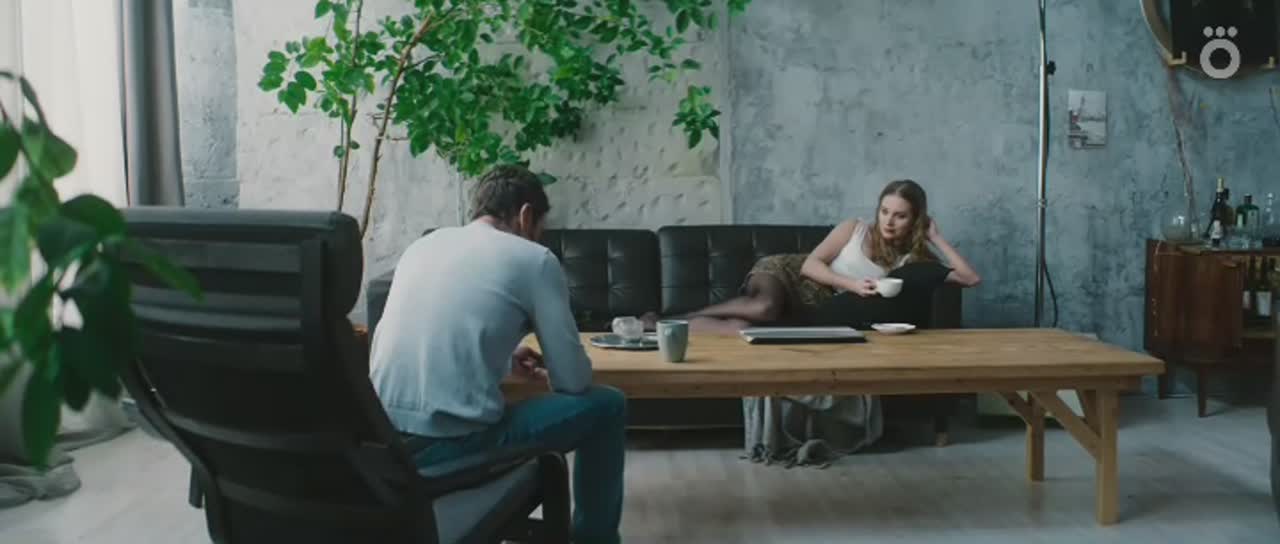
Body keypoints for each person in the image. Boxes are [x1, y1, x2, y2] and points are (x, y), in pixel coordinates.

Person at [368, 165, 625, 544]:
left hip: (383, 443)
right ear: (526, 215)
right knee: (608, 406)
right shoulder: (535, 259)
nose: (538, 239)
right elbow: (572, 381)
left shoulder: (422, 246)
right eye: (540, 230)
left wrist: (504, 359)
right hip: (451, 446)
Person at [652, 179, 981, 333]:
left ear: (915, 218)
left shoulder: (911, 259)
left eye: (900, 215)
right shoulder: (854, 229)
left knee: (744, 328)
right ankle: (673, 318)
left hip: (817, 306)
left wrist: (936, 237)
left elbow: (970, 278)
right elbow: (810, 265)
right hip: (787, 273)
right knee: (764, 307)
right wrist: (852, 285)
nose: (889, 221)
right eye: (884, 211)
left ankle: (662, 328)